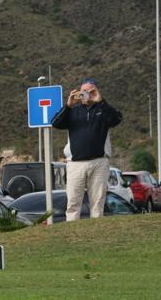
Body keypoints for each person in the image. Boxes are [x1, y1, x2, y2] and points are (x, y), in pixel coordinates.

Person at [51, 78, 122, 221]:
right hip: (76, 163)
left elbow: (116, 119)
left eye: (90, 91)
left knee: (97, 201)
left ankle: (96, 231)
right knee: (73, 201)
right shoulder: (73, 111)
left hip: (99, 162)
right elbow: (56, 123)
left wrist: (100, 101)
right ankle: (72, 230)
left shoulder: (102, 110)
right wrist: (68, 105)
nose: (86, 94)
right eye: (83, 91)